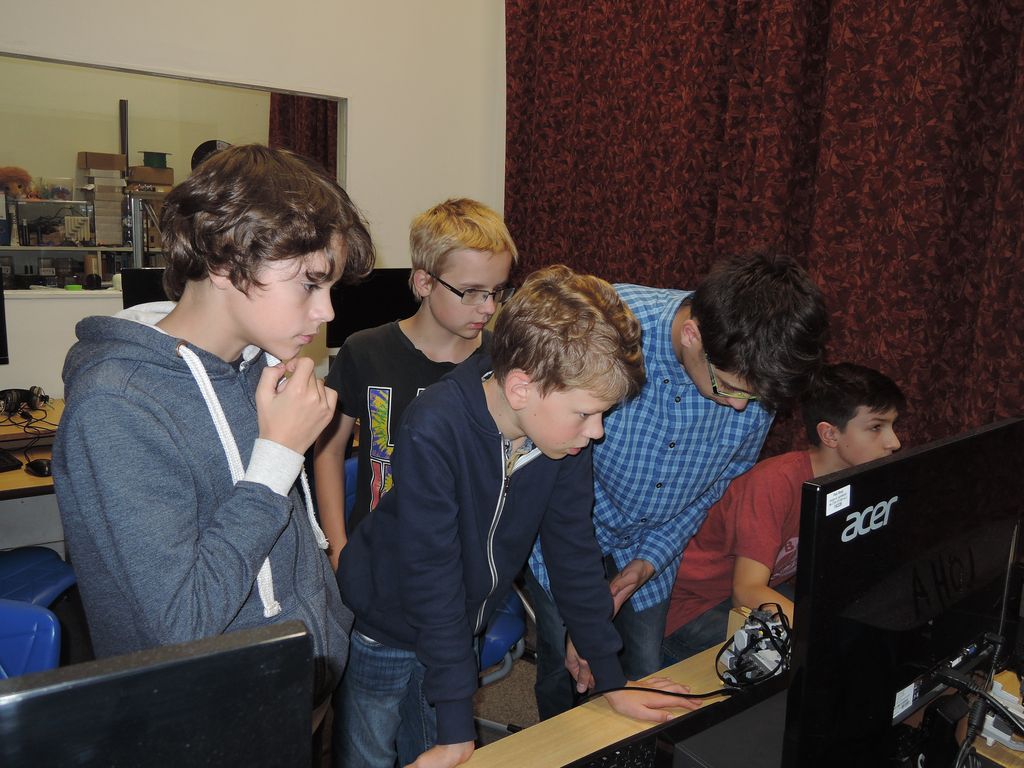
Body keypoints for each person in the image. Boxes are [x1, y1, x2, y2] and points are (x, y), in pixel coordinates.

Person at [335, 265, 699, 768]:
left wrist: (612, 680)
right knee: (370, 751)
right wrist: (459, 727)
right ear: (522, 388)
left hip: (460, 624)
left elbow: (573, 551)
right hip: (386, 620)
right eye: (586, 413)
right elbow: (433, 574)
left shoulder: (560, 440)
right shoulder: (437, 426)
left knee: (428, 745)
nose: (597, 432)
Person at [52, 144, 375, 712]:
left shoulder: (255, 368)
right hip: (205, 714)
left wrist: (329, 625)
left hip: (293, 686)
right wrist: (277, 457)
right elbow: (183, 620)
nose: (327, 312)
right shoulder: (116, 404)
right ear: (227, 261)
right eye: (309, 284)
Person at [526, 251, 830, 718]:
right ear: (692, 336)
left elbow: (715, 487)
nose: (741, 409)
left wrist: (647, 563)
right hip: (563, 531)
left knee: (649, 674)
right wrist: (584, 613)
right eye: (729, 388)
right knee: (561, 670)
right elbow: (544, 474)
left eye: (756, 399)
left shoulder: (753, 370)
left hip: (655, 545)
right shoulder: (602, 327)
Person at [314, 198, 517, 567]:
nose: (489, 307)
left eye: (496, 291)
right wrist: (336, 549)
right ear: (425, 282)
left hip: (461, 562)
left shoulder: (501, 363)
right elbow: (328, 451)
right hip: (374, 555)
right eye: (471, 291)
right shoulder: (364, 351)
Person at [661, 363, 905, 664]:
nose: (894, 442)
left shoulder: (853, 483)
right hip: (694, 607)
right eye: (876, 427)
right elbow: (746, 591)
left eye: (892, 426)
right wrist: (825, 634)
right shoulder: (775, 482)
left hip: (753, 594)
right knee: (809, 659)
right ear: (830, 434)